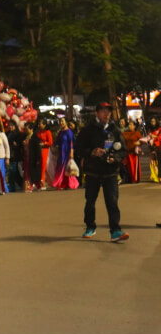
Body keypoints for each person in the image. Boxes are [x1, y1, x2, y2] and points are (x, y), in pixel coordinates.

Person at [75, 102, 129, 242]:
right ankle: (90, 227)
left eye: (108, 111)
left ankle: (115, 231)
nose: (107, 114)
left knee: (112, 202)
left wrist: (115, 158)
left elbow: (123, 150)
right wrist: (92, 152)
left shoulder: (114, 130)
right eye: (103, 111)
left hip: (110, 172)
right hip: (93, 172)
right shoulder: (88, 130)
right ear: (97, 113)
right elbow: (78, 148)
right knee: (90, 202)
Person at [51, 118, 78, 190]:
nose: (61, 123)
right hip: (61, 153)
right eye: (60, 121)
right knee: (60, 167)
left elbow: (71, 143)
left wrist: (71, 152)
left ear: (66, 122)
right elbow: (57, 142)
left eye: (62, 121)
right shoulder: (60, 132)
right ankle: (62, 183)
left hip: (67, 152)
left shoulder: (69, 132)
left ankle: (71, 183)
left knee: (67, 168)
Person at [7, 122, 26, 192]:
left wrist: (17, 145)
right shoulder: (8, 134)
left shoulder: (18, 134)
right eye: (9, 125)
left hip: (15, 155)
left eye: (12, 125)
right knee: (14, 172)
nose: (10, 127)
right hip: (11, 155)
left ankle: (14, 186)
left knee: (14, 171)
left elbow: (21, 144)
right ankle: (19, 185)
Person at [36, 119, 53, 189]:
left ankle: (42, 182)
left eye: (40, 124)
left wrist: (44, 144)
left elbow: (50, 142)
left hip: (45, 150)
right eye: (38, 124)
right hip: (39, 151)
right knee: (40, 166)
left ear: (44, 125)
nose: (39, 125)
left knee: (43, 166)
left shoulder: (47, 132)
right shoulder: (38, 133)